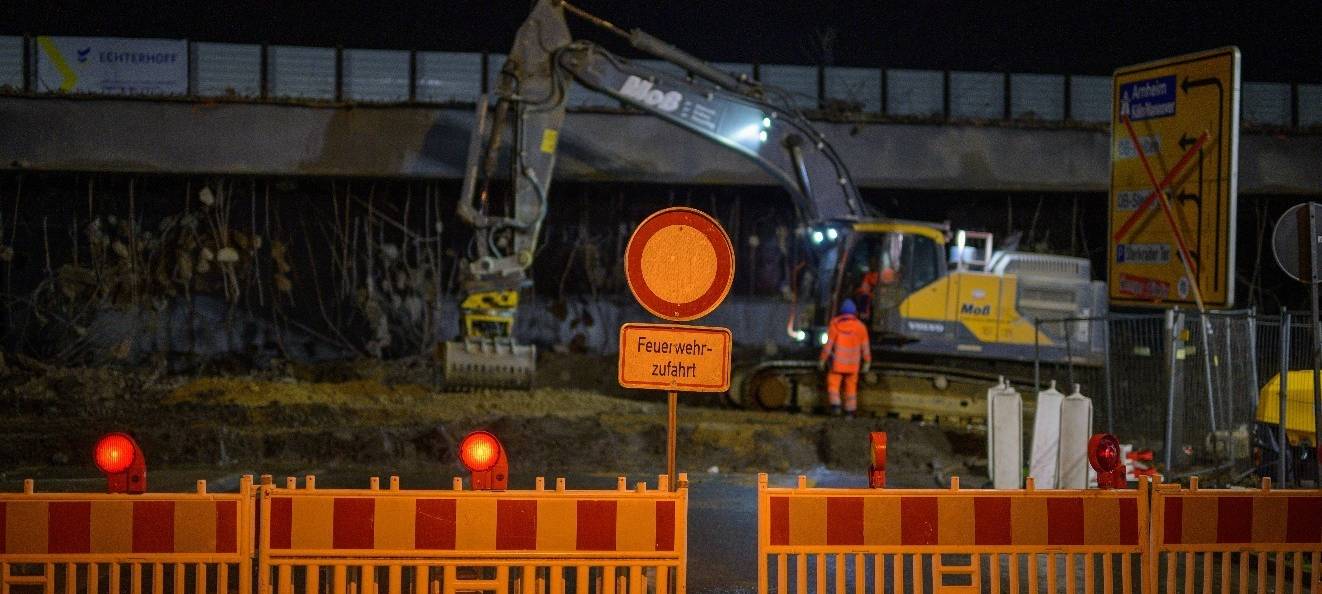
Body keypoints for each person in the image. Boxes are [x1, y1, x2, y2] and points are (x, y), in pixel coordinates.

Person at [818, 298, 872, 416]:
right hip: (853, 366)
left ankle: (836, 407)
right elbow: (865, 347)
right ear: (854, 312)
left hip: (837, 364)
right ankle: (849, 412)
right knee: (851, 389)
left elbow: (828, 346)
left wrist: (822, 360)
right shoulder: (861, 327)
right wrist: (867, 362)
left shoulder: (835, 325)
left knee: (833, 385)